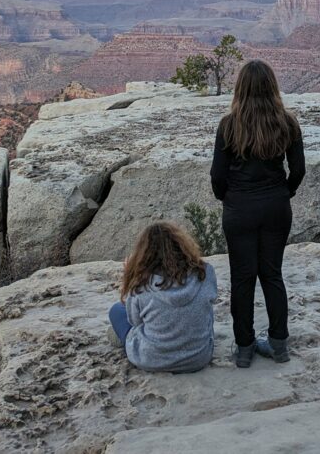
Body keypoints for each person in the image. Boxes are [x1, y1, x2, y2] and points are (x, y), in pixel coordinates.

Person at [210, 59, 306, 368]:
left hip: (239, 209)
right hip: (276, 206)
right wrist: (284, 191)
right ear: (272, 87)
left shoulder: (229, 125)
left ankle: (245, 348)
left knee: (242, 278)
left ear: (240, 88)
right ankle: (279, 345)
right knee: (272, 274)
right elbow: (299, 170)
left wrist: (229, 198)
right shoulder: (287, 123)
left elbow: (217, 176)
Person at [107, 221, 217, 373]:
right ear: (182, 245)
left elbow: (135, 321)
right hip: (199, 357)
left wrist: (130, 275)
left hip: (151, 359)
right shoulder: (205, 272)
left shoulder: (141, 282)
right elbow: (211, 299)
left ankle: (123, 339)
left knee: (116, 310)